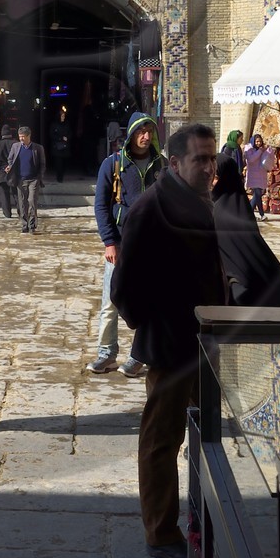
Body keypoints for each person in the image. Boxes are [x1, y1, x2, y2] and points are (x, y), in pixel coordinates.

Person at [109, 123, 223, 558]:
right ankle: (161, 531)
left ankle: (200, 515)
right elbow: (124, 287)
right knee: (162, 439)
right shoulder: (150, 208)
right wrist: (151, 326)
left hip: (206, 341)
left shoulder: (203, 202)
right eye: (201, 159)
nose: (210, 167)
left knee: (202, 433)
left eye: (212, 158)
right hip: (171, 345)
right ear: (174, 163)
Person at [88, 111, 165, 377]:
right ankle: (106, 353)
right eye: (141, 131)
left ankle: (138, 356)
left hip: (152, 247)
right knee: (111, 300)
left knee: (148, 301)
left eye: (149, 131)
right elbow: (101, 206)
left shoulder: (161, 166)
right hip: (121, 245)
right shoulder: (113, 164)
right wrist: (110, 242)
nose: (146, 136)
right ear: (131, 134)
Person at [212, 159, 280, 307]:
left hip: (242, 288)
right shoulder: (239, 203)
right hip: (259, 279)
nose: (211, 182)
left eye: (215, 177)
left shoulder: (219, 211)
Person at [5, 125, 47, 234]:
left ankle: (32, 225)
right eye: (20, 136)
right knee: (22, 203)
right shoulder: (16, 147)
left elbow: (42, 164)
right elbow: (10, 159)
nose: (21, 139)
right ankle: (24, 225)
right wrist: (10, 166)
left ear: (29, 136)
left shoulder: (38, 148)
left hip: (33, 179)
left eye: (23, 136)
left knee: (32, 201)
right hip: (20, 179)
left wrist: (40, 176)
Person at [241, 133, 274, 220]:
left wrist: (268, 149)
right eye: (257, 141)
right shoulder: (249, 148)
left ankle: (261, 215)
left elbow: (269, 157)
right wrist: (260, 151)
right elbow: (251, 159)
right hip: (253, 175)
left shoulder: (262, 148)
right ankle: (251, 214)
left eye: (260, 141)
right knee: (257, 194)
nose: (258, 143)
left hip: (261, 174)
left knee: (258, 195)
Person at [0, 124, 19, 218]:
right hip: (14, 172)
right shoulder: (16, 144)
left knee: (4, 195)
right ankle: (21, 211)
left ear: (1, 134)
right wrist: (10, 166)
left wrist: (3, 167)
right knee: (17, 194)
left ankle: (7, 214)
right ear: (11, 134)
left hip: (2, 173)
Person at [48, 114, 71, 182]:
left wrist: (68, 137)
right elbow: (51, 135)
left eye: (64, 116)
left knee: (64, 163)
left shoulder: (67, 124)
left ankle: (62, 175)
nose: (63, 118)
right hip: (57, 147)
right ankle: (59, 177)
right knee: (58, 163)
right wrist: (60, 138)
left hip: (65, 147)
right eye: (62, 116)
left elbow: (70, 133)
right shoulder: (54, 125)